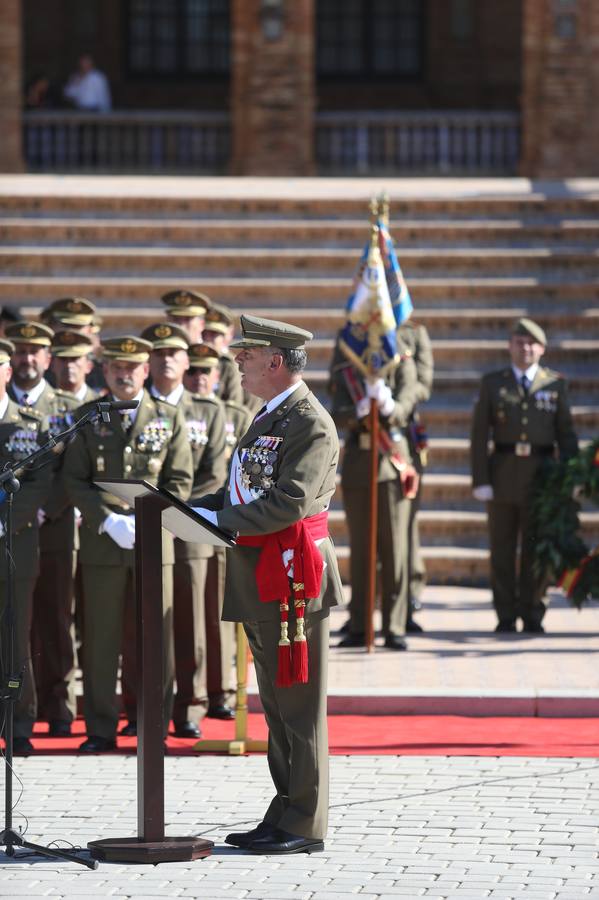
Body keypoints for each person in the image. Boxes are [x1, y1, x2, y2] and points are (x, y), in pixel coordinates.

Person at [194, 314, 343, 855]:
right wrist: (195, 507)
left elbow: (290, 502)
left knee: (299, 708)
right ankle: (284, 811)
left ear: (274, 362)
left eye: (246, 358)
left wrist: (220, 521)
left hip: (292, 576)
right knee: (278, 709)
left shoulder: (310, 422)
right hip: (265, 573)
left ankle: (304, 823)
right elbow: (245, 488)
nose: (238, 364)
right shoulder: (271, 414)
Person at [62, 335, 193, 752]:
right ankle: (100, 728)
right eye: (115, 367)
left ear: (145, 370)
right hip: (104, 543)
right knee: (101, 639)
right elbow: (74, 479)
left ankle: (151, 725)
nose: (123, 374)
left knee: (156, 637)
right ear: (104, 371)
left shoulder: (169, 418)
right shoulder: (88, 417)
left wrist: (152, 518)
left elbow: (180, 480)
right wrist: (106, 520)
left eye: (132, 367)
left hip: (155, 542)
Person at [128, 326, 228, 739]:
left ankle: (190, 706)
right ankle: (140, 705)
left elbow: (214, 474)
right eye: (160, 352)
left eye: (176, 352)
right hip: (138, 530)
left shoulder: (209, 410)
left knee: (189, 624)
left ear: (189, 362)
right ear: (148, 362)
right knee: (139, 622)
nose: (167, 359)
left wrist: (176, 511)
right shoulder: (135, 406)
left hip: (188, 527)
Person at [470, 317, 578, 634]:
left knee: (536, 551)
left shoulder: (555, 384)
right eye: (519, 342)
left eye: (531, 344)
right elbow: (478, 436)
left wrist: (568, 479)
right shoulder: (493, 383)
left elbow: (566, 435)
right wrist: (481, 480)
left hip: (541, 480)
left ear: (542, 349)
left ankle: (533, 613)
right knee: (502, 550)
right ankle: (505, 615)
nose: (525, 348)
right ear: (510, 347)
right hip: (502, 476)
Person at [5, 321, 80, 737]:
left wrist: (41, 509)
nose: (27, 358)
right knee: (18, 625)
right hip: (13, 531)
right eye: (20, 351)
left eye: (36, 351)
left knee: (54, 620)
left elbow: (69, 469)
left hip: (55, 527)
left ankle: (60, 708)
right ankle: (22, 708)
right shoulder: (5, 402)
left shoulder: (63, 407)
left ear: (48, 359)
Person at [328, 333, 418, 650]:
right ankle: (360, 624)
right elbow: (336, 410)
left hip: (392, 460)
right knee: (361, 550)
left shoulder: (401, 356)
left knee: (394, 549)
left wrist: (390, 405)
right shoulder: (346, 360)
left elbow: (409, 398)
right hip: (359, 462)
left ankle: (394, 624)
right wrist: (359, 410)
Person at [30, 329, 99, 737]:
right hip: (44, 522)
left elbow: (81, 472)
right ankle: (43, 698)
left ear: (88, 364)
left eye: (77, 359)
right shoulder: (47, 407)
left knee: (76, 618)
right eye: (62, 358)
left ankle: (70, 704)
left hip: (79, 522)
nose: (69, 366)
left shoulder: (91, 407)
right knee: (45, 618)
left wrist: (55, 506)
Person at [184, 342, 243, 720]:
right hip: (186, 512)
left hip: (217, 518)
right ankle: (193, 691)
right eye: (193, 371)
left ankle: (220, 689)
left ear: (218, 376)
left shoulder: (235, 414)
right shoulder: (172, 412)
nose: (199, 378)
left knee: (215, 610)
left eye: (206, 371)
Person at [0, 338, 52, 755]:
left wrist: (3, 522)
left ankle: (19, 725)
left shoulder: (30, 424)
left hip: (15, 545)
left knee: (16, 638)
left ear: (7, 372)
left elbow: (40, 482)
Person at [398, 318, 434, 631]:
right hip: (369, 435)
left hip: (403, 436)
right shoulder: (358, 330)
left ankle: (407, 597)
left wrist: (397, 395)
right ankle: (366, 605)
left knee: (405, 525)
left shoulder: (414, 333)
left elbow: (424, 384)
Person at [203, 304, 244, 406]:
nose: (207, 339)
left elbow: (234, 405)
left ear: (228, 334)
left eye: (213, 334)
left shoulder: (230, 365)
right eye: (204, 333)